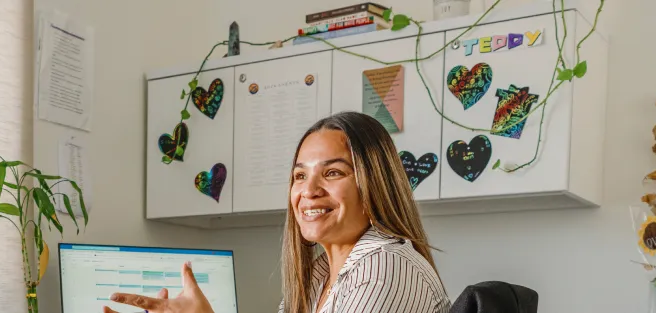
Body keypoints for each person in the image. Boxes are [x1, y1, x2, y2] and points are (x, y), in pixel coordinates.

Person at [107, 112, 450, 313]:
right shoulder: (319, 275)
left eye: (332, 173)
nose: (308, 191)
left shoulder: (383, 268)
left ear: (373, 185)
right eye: (300, 175)